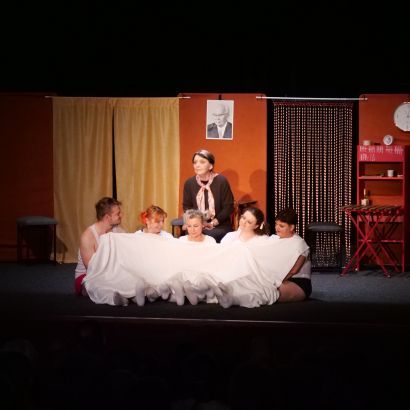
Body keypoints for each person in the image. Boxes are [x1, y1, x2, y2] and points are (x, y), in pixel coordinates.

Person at [74, 197, 124, 296]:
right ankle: (116, 296)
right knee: (100, 285)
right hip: (87, 276)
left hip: (111, 273)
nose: (121, 216)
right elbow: (91, 269)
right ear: (107, 217)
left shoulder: (118, 231)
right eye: (118, 214)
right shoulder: (88, 235)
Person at [182, 149, 234, 243]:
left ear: (210, 166)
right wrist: (199, 223)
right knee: (191, 234)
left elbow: (228, 207)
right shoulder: (189, 183)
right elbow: (187, 207)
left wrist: (213, 223)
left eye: (202, 162)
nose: (197, 165)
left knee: (210, 235)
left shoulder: (221, 181)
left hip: (220, 224)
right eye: (195, 162)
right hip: (197, 225)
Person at [272, 208, 312, 302]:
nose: (277, 228)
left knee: (267, 291)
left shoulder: (300, 244)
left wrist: (273, 281)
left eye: (281, 226)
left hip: (297, 282)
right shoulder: (275, 239)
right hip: (279, 278)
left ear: (291, 227)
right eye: (276, 224)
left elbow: (293, 271)